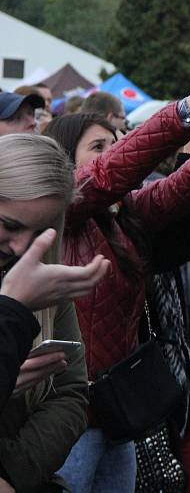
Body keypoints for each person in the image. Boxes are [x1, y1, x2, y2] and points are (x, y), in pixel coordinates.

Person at [47, 54, 190, 491]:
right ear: (63, 161)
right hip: (65, 422)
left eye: (118, 139)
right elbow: (110, 173)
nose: (114, 150)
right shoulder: (58, 213)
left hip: (117, 415)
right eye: (98, 146)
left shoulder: (122, 215)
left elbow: (178, 190)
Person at [0, 133, 109, 492]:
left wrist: (15, 473)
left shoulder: (45, 284)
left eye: (40, 234)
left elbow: (71, 394)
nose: (20, 247)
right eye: (10, 225)